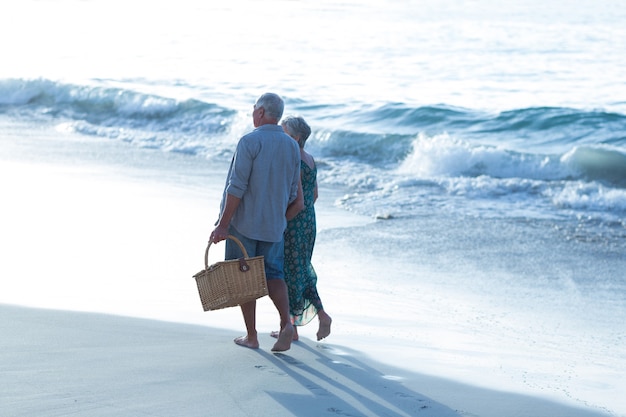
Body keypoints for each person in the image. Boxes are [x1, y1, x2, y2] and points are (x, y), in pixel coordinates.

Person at [210, 93, 303, 352]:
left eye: (254, 110)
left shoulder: (250, 141)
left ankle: (252, 336)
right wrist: (278, 220)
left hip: (245, 224)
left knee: (243, 277)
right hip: (274, 225)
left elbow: (236, 187)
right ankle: (286, 325)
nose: (253, 114)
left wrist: (223, 224)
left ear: (261, 112)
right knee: (274, 275)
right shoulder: (291, 145)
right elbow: (294, 194)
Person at [271, 115, 332, 342]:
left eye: (284, 133)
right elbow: (314, 194)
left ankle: (292, 328)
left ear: (296, 138)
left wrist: (282, 222)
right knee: (302, 270)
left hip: (294, 220)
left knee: (287, 274)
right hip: (309, 221)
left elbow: (297, 200)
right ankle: (319, 315)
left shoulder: (293, 158)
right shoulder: (310, 159)